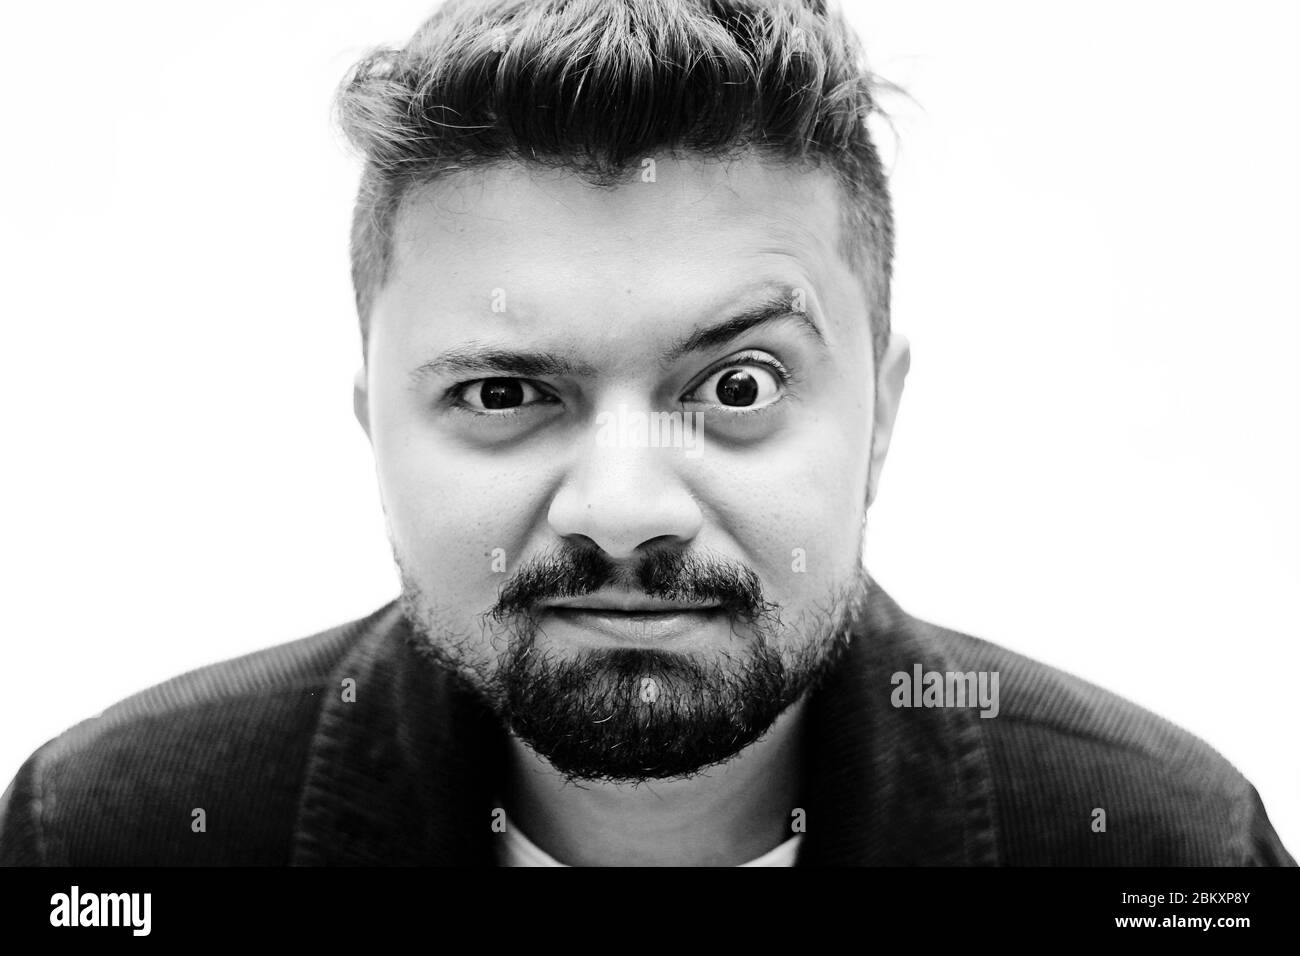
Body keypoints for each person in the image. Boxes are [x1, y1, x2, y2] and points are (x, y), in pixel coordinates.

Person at [0, 0, 1292, 867]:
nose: (622, 511)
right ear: (373, 429)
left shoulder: (1163, 854)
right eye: (506, 392)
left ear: (882, 416)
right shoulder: (108, 842)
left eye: (736, 387)